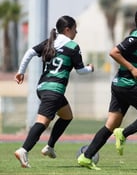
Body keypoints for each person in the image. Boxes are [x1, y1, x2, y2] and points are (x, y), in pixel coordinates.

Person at [77, 7, 137, 170]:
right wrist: (132, 69)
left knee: (110, 125)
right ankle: (123, 134)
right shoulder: (135, 38)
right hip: (127, 85)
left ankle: (86, 157)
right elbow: (114, 52)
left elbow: (134, 59)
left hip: (120, 85)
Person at [14, 15, 94, 168]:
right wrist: (90, 68)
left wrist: (20, 71)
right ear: (67, 29)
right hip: (54, 90)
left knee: (67, 116)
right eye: (75, 29)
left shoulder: (50, 42)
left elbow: (30, 52)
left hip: (43, 87)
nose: (76, 32)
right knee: (42, 122)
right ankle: (23, 150)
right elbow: (81, 71)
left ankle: (49, 147)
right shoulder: (72, 46)